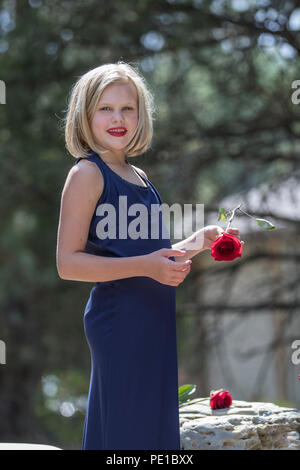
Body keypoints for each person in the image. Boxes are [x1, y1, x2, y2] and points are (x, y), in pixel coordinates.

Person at [56, 61, 242, 450]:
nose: (117, 118)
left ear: (141, 115)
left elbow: (147, 253)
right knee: (128, 437)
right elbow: (67, 263)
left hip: (153, 321)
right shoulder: (87, 175)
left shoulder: (138, 176)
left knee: (152, 436)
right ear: (84, 115)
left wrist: (195, 241)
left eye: (128, 108)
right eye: (104, 108)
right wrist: (146, 267)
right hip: (119, 322)